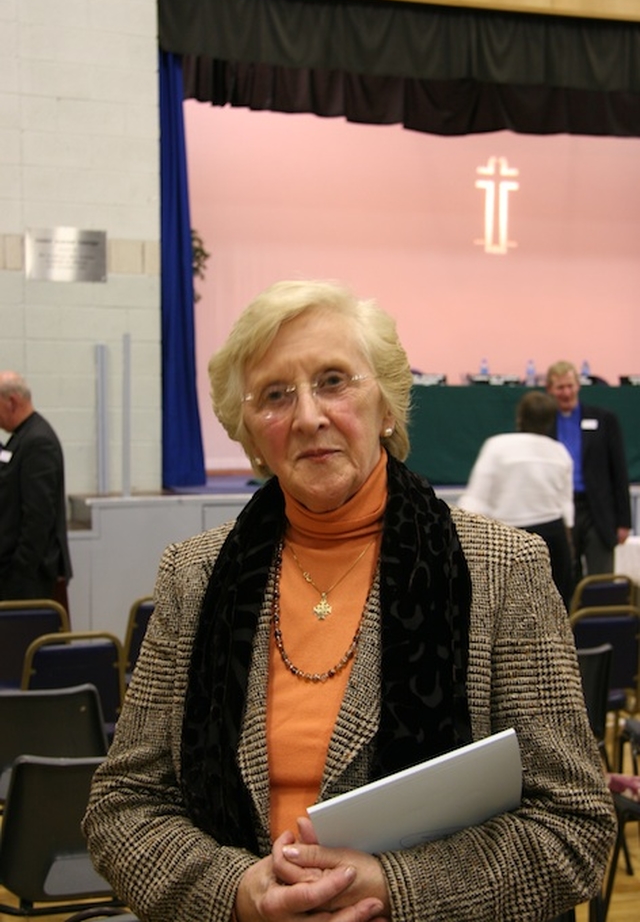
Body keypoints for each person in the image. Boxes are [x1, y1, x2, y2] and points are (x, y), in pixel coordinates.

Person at [83, 281, 614, 922]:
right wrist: (239, 893)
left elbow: (574, 826)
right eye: (276, 395)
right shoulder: (192, 578)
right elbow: (123, 804)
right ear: (252, 434)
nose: (308, 416)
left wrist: (396, 888)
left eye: (334, 380)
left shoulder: (504, 572)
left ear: (386, 406)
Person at [458, 390, 574, 607]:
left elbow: (474, 501)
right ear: (550, 422)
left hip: (508, 542)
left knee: (507, 612)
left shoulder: (497, 446)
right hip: (553, 543)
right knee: (555, 612)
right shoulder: (560, 452)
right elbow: (566, 508)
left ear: (520, 417)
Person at [546, 360, 632, 581]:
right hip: (561, 511)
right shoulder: (544, 425)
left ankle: (601, 616)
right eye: (560, 387)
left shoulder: (604, 419)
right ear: (550, 390)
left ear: (578, 386)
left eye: (570, 386)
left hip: (598, 512)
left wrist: (624, 521)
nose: (566, 392)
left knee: (601, 577)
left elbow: (619, 472)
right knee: (563, 578)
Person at [0, 370, 72, 600]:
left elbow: (38, 517)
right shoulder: (21, 437)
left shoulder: (38, 441)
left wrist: (18, 572)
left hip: (29, 578)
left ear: (11, 402)